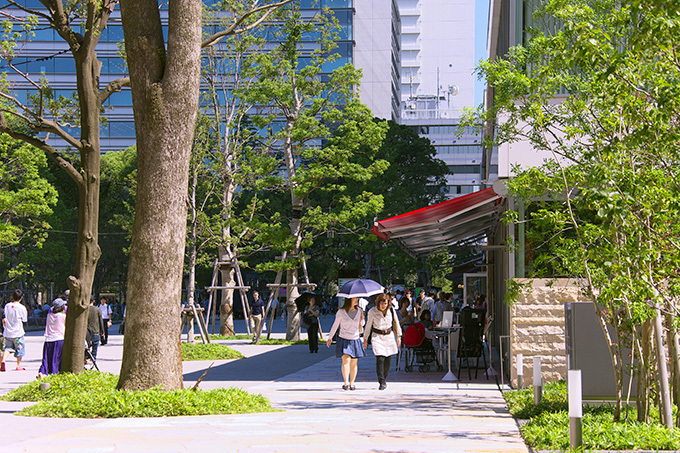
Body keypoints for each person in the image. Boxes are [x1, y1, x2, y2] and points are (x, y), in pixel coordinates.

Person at [363, 293, 402, 390]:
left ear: (388, 303)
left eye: (385, 303)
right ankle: (381, 381)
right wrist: (365, 338)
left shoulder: (391, 310)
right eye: (381, 303)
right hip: (377, 337)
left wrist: (399, 336)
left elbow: (396, 322)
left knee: (388, 359)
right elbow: (368, 325)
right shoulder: (372, 311)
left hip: (389, 336)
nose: (383, 305)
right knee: (380, 358)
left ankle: (384, 377)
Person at [326, 297, 365, 391]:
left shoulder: (359, 310)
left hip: (355, 338)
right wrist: (330, 337)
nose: (357, 300)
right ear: (349, 299)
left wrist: (362, 319)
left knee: (354, 362)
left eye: (357, 298)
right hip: (344, 338)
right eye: (355, 298)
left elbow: (362, 324)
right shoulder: (341, 312)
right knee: (346, 360)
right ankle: (346, 382)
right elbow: (336, 324)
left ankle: (352, 383)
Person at [38, 298, 67, 378]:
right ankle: (54, 373)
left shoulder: (49, 315)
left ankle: (42, 372)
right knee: (56, 358)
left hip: (48, 339)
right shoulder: (62, 316)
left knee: (46, 358)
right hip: (59, 339)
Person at [2, 289, 28, 372]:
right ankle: (18, 365)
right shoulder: (22, 307)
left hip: (8, 332)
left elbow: (5, 316)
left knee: (8, 348)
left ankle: (3, 360)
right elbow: (24, 319)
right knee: (19, 348)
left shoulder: (7, 306)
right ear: (21, 298)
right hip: (17, 333)